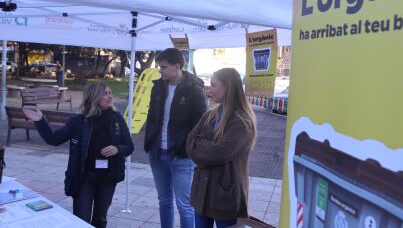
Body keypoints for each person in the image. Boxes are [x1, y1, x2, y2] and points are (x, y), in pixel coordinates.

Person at [22, 83, 134, 228]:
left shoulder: (116, 118)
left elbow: (129, 146)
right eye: (105, 93)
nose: (110, 96)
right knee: (81, 220)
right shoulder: (78, 121)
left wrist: (117, 149)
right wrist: (40, 121)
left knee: (100, 219)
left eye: (110, 92)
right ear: (94, 97)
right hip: (84, 177)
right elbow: (54, 139)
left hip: (108, 177)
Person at [144, 48, 208, 228]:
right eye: (159, 66)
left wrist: (185, 148)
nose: (160, 70)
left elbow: (200, 125)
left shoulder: (194, 89)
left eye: (163, 67)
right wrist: (150, 141)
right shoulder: (158, 86)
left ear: (177, 66)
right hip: (157, 153)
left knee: (184, 205)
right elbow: (151, 116)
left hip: (181, 156)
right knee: (164, 201)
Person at [186, 68, 257, 228]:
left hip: (225, 196)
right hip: (202, 193)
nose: (209, 89)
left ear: (228, 87)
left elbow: (221, 153)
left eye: (213, 85)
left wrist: (201, 148)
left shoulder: (242, 121)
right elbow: (190, 142)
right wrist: (205, 149)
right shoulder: (211, 114)